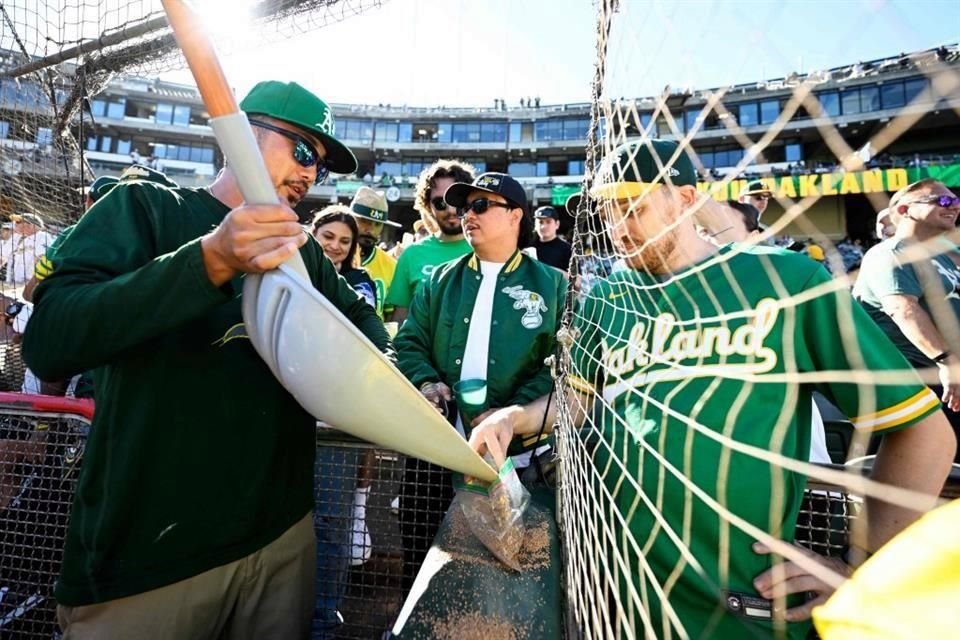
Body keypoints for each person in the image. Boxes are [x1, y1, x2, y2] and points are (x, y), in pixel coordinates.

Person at [467, 139, 955, 640]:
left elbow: (924, 433)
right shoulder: (608, 297)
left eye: (633, 208)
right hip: (608, 588)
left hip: (742, 599)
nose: (618, 229)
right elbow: (580, 395)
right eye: (607, 212)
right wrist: (517, 418)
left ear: (684, 200)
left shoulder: (786, 281)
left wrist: (861, 565)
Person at [22, 80, 392, 639]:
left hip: (279, 540)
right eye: (300, 151)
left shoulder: (304, 252)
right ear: (239, 135)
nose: (310, 174)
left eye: (319, 164)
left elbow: (365, 326)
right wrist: (210, 260)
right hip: (148, 560)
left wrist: (374, 377)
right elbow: (50, 339)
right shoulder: (144, 208)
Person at [393, 171, 565, 589]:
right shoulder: (439, 280)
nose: (467, 214)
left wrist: (513, 412)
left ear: (515, 216)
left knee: (506, 570)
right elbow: (410, 342)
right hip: (436, 446)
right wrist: (427, 381)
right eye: (465, 206)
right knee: (420, 553)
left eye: (481, 205)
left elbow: (558, 365)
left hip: (518, 460)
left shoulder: (554, 285)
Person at [853, 179, 960, 459]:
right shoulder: (890, 252)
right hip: (919, 380)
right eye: (943, 201)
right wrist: (948, 362)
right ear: (904, 210)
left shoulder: (943, 257)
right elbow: (903, 309)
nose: (954, 206)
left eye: (956, 200)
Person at [386, 159, 475, 323]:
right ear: (428, 206)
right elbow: (400, 319)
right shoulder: (412, 255)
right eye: (440, 203)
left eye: (456, 200)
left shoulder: (488, 251)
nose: (450, 210)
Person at [349, 186, 400, 319]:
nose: (370, 230)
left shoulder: (391, 266)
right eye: (364, 221)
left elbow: (390, 317)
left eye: (377, 224)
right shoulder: (332, 255)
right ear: (350, 218)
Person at [312, 205, 377, 309]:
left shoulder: (360, 280)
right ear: (313, 234)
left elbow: (361, 318)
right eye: (328, 237)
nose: (334, 246)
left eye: (344, 241)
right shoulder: (296, 268)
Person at [3, 213, 55, 286]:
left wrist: (33, 284)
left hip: (31, 284)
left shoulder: (42, 237)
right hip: (13, 283)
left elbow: (41, 260)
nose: (14, 224)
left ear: (31, 225)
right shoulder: (16, 237)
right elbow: (2, 257)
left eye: (18, 222)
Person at [532, 205, 572, 271]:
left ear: (557, 224)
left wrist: (547, 270)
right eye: (540, 222)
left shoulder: (566, 249)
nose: (543, 226)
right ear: (535, 225)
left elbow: (577, 279)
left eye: (548, 222)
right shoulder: (529, 247)